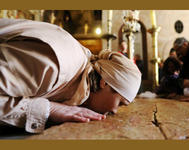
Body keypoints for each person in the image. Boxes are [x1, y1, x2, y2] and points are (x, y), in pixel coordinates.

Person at [0, 18, 142, 133]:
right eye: (121, 102)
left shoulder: (79, 75)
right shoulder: (55, 65)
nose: (114, 111)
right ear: (104, 82)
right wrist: (50, 109)